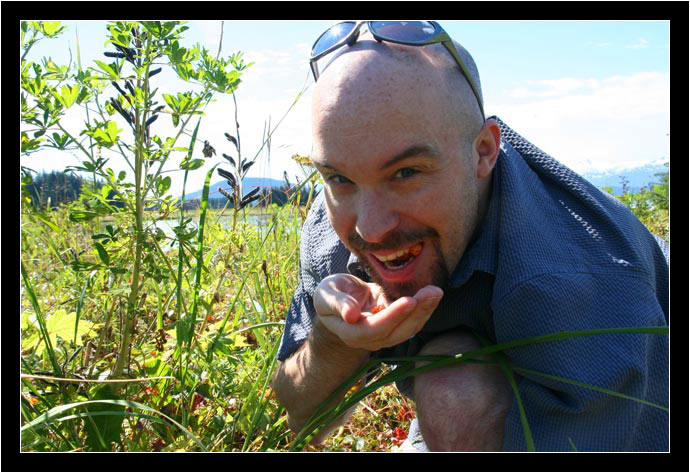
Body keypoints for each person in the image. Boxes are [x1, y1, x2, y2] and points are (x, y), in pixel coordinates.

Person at [271, 21, 669, 452]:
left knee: (456, 396)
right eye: (339, 177)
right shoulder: (333, 229)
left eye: (406, 173)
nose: (369, 227)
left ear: (484, 152)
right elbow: (299, 417)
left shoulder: (584, 279)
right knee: (453, 389)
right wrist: (335, 343)